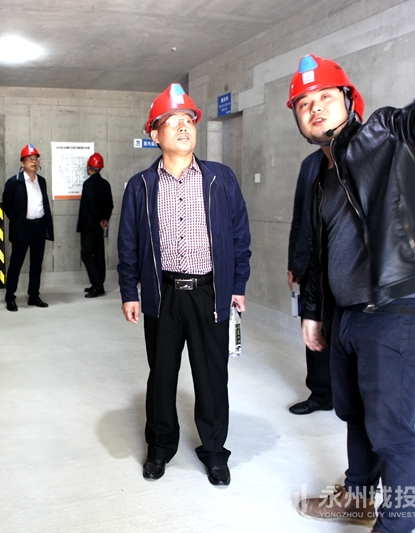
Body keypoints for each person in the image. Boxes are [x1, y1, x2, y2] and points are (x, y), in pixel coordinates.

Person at [290, 52, 415, 533]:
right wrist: (313, 311)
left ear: (349, 99)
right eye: (304, 103)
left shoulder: (387, 136)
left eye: (325, 97)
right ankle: (358, 499)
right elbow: (321, 250)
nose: (315, 108)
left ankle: (394, 526)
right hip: (348, 317)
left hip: (394, 313)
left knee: (393, 437)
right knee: (355, 416)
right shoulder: (320, 175)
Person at [117, 84, 251, 487]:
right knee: (161, 377)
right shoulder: (141, 185)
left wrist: (237, 284)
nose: (182, 127)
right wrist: (129, 291)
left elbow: (239, 236)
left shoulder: (220, 179)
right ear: (154, 134)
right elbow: (128, 243)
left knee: (212, 377)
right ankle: (160, 448)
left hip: (211, 293)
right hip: (163, 294)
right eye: (171, 121)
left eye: (188, 120)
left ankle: (215, 452)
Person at [286, 148, 332, 415]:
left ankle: (358, 398)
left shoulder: (363, 155)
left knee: (350, 335)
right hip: (314, 263)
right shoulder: (311, 164)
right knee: (315, 333)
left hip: (353, 267)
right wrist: (295, 261)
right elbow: (300, 217)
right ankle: (322, 394)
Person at [1, 144, 54, 311]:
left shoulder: (41, 181)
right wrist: (17, 221)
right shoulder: (14, 182)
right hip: (22, 228)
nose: (34, 161)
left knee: (36, 264)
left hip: (39, 227)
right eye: (30, 159)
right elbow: (7, 205)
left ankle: (33, 295)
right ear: (22, 163)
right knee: (16, 264)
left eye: (36, 159)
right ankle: (10, 297)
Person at [77, 152, 113, 298]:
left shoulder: (88, 184)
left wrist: (99, 219)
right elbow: (110, 204)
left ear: (89, 167)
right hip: (100, 226)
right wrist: (104, 219)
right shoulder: (105, 184)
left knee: (86, 255)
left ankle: (97, 285)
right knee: (98, 255)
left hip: (89, 226)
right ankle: (99, 284)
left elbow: (92, 205)